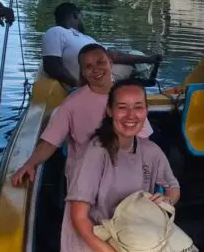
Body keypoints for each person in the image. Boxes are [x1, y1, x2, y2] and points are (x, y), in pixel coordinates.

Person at [60, 78, 204, 252]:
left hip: (141, 240)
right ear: (110, 111)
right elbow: (79, 219)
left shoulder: (150, 150)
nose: (131, 115)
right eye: (122, 107)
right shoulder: (95, 152)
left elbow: (173, 186)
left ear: (146, 110)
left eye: (138, 107)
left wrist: (168, 199)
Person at [12, 44, 153, 187]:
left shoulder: (129, 96)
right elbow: (50, 142)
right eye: (88, 66)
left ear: (110, 63)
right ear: (83, 72)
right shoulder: (72, 103)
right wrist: (30, 163)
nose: (96, 70)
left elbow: (143, 141)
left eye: (100, 62)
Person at [41, 2, 161, 88]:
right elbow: (51, 65)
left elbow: (113, 55)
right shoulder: (56, 31)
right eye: (81, 17)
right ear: (75, 15)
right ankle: (143, 77)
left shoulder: (87, 38)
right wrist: (76, 84)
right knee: (135, 56)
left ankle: (144, 75)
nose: (83, 21)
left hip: (106, 74)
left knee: (134, 56)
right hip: (90, 81)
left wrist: (149, 59)